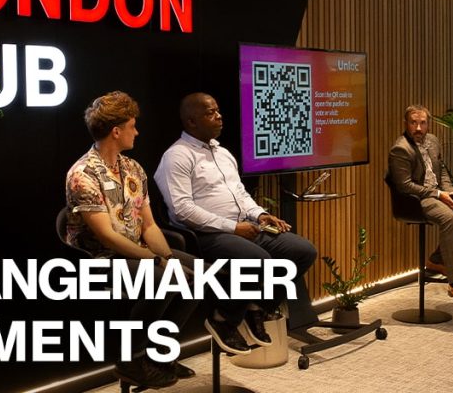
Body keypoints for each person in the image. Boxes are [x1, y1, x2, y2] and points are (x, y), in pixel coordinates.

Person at [65, 91, 206, 389]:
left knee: (195, 273)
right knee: (164, 277)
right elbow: (107, 237)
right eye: (133, 125)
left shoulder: (133, 169)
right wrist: (158, 263)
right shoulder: (82, 175)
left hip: (133, 252)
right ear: (117, 131)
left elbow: (150, 226)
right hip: (99, 260)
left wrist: (167, 257)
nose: (137, 131)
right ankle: (132, 358)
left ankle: (158, 352)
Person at [154, 93, 318, 345]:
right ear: (191, 121)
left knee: (302, 251)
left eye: (218, 110)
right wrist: (232, 227)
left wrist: (260, 214)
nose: (219, 116)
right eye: (210, 113)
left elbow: (240, 193)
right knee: (258, 260)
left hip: (244, 226)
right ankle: (225, 318)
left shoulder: (223, 153)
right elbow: (182, 210)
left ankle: (257, 306)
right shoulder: (177, 156)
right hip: (206, 235)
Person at [387, 105, 453, 305]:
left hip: (440, 192)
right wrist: (439, 194)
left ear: (428, 124)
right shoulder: (400, 149)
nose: (418, 128)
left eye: (423, 123)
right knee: (450, 219)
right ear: (406, 124)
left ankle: (438, 259)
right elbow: (404, 186)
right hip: (420, 198)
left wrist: (450, 192)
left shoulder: (433, 141)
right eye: (413, 123)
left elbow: (442, 172)